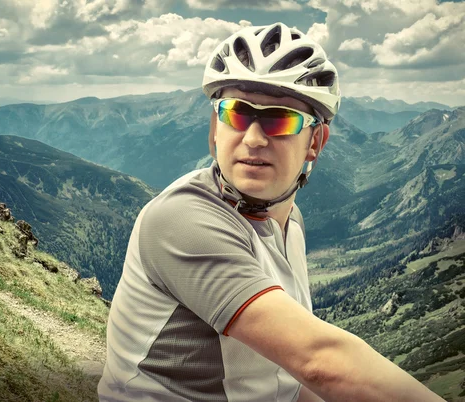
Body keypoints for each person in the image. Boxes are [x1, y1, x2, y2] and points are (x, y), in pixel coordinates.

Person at [97, 23, 445, 402]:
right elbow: (319, 362)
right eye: (237, 113)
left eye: (280, 119)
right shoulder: (182, 220)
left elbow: (291, 383)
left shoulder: (289, 224)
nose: (253, 138)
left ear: (315, 141)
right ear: (215, 127)